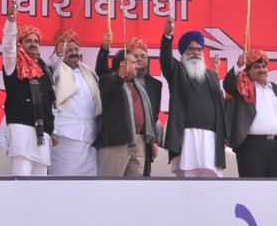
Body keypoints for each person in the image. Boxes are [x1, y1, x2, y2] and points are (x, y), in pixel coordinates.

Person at [160, 18, 226, 177]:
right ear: (183, 52)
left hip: (211, 139)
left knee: (211, 186)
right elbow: (166, 60)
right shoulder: (177, 70)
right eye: (191, 49)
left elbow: (220, 105)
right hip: (187, 137)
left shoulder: (211, 75)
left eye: (199, 49)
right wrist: (167, 36)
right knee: (186, 184)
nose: (195, 53)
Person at [2, 3, 56, 176]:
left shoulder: (43, 69)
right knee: (22, 177)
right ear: (20, 43)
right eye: (28, 41)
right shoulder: (13, 64)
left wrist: (52, 130)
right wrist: (11, 22)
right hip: (21, 130)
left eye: (36, 41)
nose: (33, 44)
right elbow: (8, 46)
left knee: (41, 180)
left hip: (42, 132)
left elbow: (49, 101)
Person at [223, 49, 277, 177]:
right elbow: (228, 85)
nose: (262, 70)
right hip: (251, 147)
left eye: (264, 66)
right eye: (256, 67)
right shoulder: (243, 88)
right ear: (248, 71)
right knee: (252, 190)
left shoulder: (275, 89)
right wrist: (238, 65)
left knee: (276, 190)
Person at [95, 48, 159, 177]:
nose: (137, 65)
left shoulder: (139, 86)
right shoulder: (108, 80)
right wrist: (119, 77)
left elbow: (148, 116)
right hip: (117, 143)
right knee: (110, 187)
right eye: (133, 62)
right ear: (123, 64)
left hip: (139, 141)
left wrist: (153, 140)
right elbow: (109, 90)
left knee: (135, 189)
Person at [47, 29, 101, 177]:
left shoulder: (87, 71)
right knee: (63, 183)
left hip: (89, 137)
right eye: (68, 49)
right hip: (65, 138)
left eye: (76, 49)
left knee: (88, 185)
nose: (73, 52)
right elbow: (53, 64)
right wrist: (58, 54)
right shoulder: (54, 69)